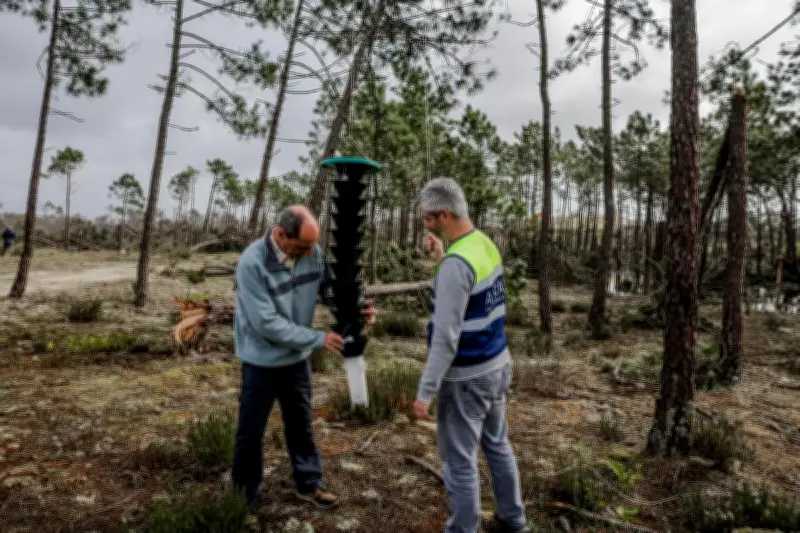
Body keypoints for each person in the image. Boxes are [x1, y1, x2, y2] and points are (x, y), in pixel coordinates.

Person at [230, 205, 377, 513]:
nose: (311, 253)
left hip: (296, 361)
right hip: (261, 362)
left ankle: (309, 483)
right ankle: (243, 499)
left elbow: (330, 289)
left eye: (313, 246)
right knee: (250, 431)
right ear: (281, 235)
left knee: (301, 425)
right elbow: (265, 323)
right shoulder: (252, 264)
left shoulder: (313, 252)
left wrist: (359, 307)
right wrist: (317, 338)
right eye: (303, 247)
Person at [412, 178, 529, 533]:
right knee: (497, 445)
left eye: (428, 219)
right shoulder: (481, 244)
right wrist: (441, 258)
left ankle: (462, 529)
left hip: (467, 378)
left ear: (444, 214)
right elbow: (470, 291)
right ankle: (514, 521)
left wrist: (425, 393)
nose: (426, 225)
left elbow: (445, 340)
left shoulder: (455, 265)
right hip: (497, 365)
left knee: (459, 462)